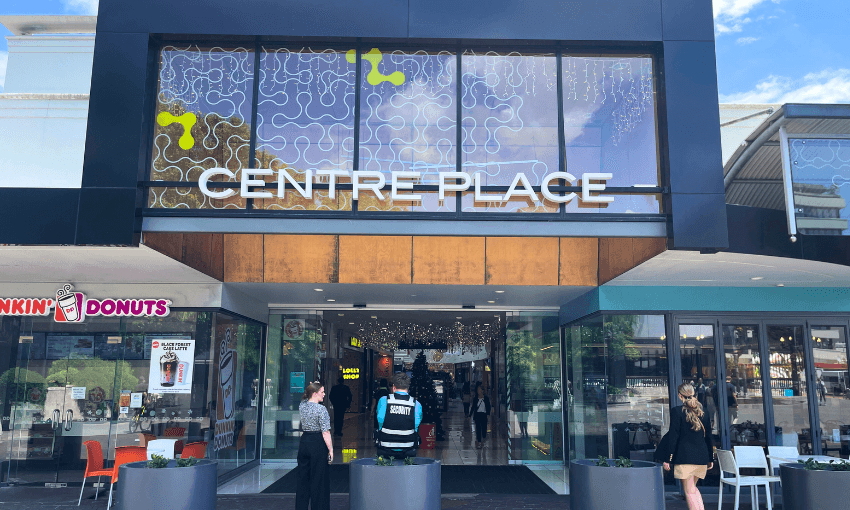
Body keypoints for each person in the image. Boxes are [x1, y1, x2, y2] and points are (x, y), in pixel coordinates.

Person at [662, 383, 714, 510]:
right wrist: (710, 458)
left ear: (680, 396)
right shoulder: (704, 412)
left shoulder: (676, 411)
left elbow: (673, 437)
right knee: (693, 489)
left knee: (689, 491)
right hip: (701, 457)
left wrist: (668, 458)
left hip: (685, 458)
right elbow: (708, 437)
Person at [296, 382, 332, 510]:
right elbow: (325, 432)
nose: (324, 394)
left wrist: (312, 385)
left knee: (303, 478)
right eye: (322, 392)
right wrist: (331, 450)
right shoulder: (321, 409)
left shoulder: (302, 406)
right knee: (319, 479)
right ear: (315, 394)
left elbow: (306, 397)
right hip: (317, 442)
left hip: (304, 441)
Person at [376, 372, 423, 458]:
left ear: (394, 387)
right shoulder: (416, 404)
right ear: (408, 388)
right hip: (408, 448)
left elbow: (380, 422)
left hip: (385, 447)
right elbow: (416, 425)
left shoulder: (384, 401)